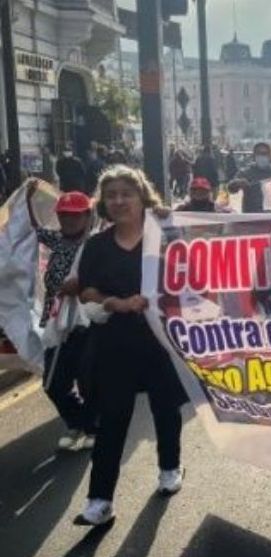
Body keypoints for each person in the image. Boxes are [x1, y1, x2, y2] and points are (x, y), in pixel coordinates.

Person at [74, 165, 188, 526]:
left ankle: (170, 467)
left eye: (127, 193)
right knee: (112, 420)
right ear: (103, 203)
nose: (119, 201)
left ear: (143, 197)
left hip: (161, 344)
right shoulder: (96, 245)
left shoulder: (166, 237)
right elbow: (86, 289)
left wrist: (173, 222)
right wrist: (115, 303)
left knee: (166, 410)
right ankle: (99, 500)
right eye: (111, 195)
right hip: (115, 346)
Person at [25, 180, 96, 451]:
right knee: (53, 383)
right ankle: (75, 422)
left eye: (74, 214)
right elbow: (34, 229)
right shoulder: (57, 239)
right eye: (63, 214)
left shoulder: (96, 244)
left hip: (86, 321)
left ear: (87, 216)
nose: (67, 219)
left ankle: (92, 427)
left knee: (87, 378)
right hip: (56, 320)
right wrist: (29, 201)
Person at [228, 142, 271, 213]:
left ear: (269, 155)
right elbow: (231, 189)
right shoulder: (246, 172)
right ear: (254, 155)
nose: (262, 156)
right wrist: (237, 183)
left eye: (264, 153)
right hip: (251, 216)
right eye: (259, 153)